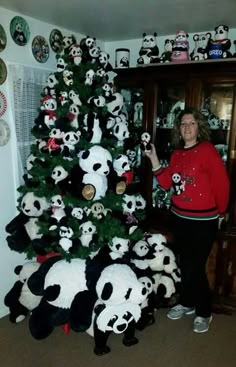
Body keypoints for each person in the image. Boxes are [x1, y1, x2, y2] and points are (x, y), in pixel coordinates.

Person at [145, 107, 230, 333]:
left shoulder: (207, 150)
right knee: (186, 264)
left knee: (195, 267)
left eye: (191, 123)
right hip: (179, 218)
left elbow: (222, 184)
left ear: (199, 127)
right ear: (178, 129)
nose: (187, 127)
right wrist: (154, 158)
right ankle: (188, 302)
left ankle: (203, 311)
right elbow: (165, 184)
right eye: (183, 123)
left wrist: (222, 212)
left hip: (204, 221)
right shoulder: (177, 154)